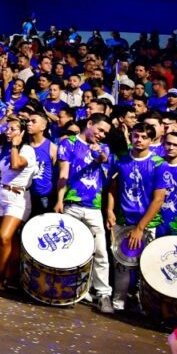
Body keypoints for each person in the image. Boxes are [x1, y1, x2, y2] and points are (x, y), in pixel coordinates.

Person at [55, 112, 115, 314]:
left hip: (93, 207)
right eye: (100, 130)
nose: (102, 135)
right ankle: (68, 290)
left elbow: (104, 159)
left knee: (100, 251)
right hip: (72, 204)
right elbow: (64, 172)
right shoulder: (68, 143)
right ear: (89, 124)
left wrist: (99, 153)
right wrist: (59, 200)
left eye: (105, 132)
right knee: (69, 249)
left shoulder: (104, 148)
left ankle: (103, 294)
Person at [106, 122, 167, 312]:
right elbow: (113, 188)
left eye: (144, 137)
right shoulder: (121, 160)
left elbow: (158, 200)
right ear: (131, 137)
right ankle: (118, 303)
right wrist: (110, 210)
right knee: (122, 264)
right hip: (123, 220)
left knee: (146, 265)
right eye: (136, 136)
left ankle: (145, 306)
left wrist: (140, 228)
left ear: (151, 140)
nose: (139, 140)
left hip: (147, 224)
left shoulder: (159, 164)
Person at [0, 115, 35, 291]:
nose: (8, 132)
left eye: (13, 129)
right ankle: (11, 275)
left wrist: (15, 145)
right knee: (8, 241)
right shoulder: (6, 148)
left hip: (17, 197)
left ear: (22, 132)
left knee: (4, 236)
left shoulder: (27, 150)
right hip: (1, 194)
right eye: (8, 129)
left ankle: (0, 277)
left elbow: (16, 165)